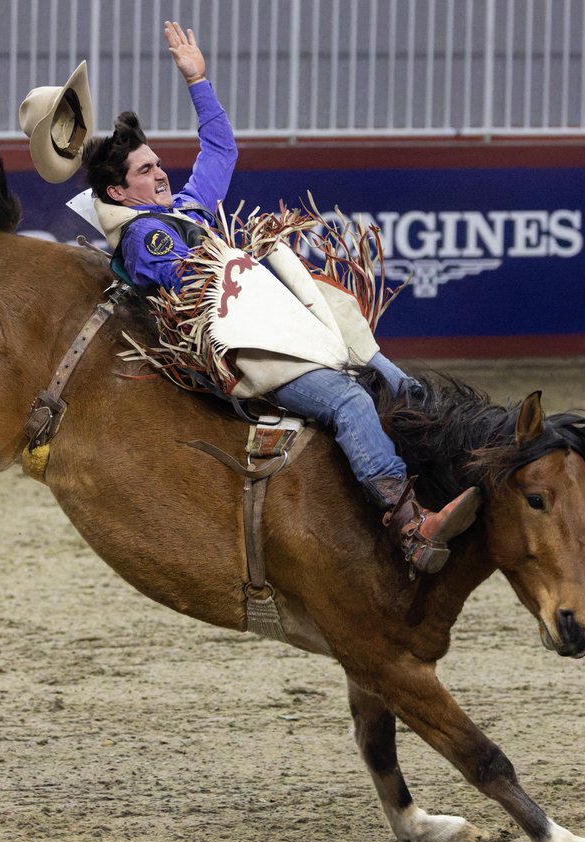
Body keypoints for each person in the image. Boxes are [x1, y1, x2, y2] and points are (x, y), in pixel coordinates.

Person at [80, 21, 479, 575]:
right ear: (119, 193)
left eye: (156, 162)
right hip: (239, 349)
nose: (160, 171)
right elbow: (192, 285)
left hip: (270, 327)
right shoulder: (146, 236)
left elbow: (220, 148)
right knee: (349, 401)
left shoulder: (183, 209)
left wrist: (199, 81)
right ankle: (408, 527)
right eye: (146, 170)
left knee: (386, 376)